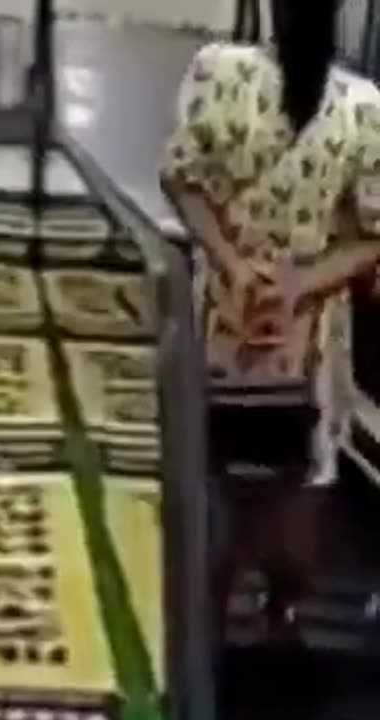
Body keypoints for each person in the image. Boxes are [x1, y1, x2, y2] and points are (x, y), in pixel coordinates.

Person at [160, 0, 380, 642]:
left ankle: (205, 629)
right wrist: (299, 285)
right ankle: (279, 614)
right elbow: (373, 236)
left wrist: (232, 265)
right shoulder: (362, 109)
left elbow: (180, 180)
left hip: (220, 328)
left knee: (211, 480)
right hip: (305, 340)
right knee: (298, 484)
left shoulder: (218, 74)